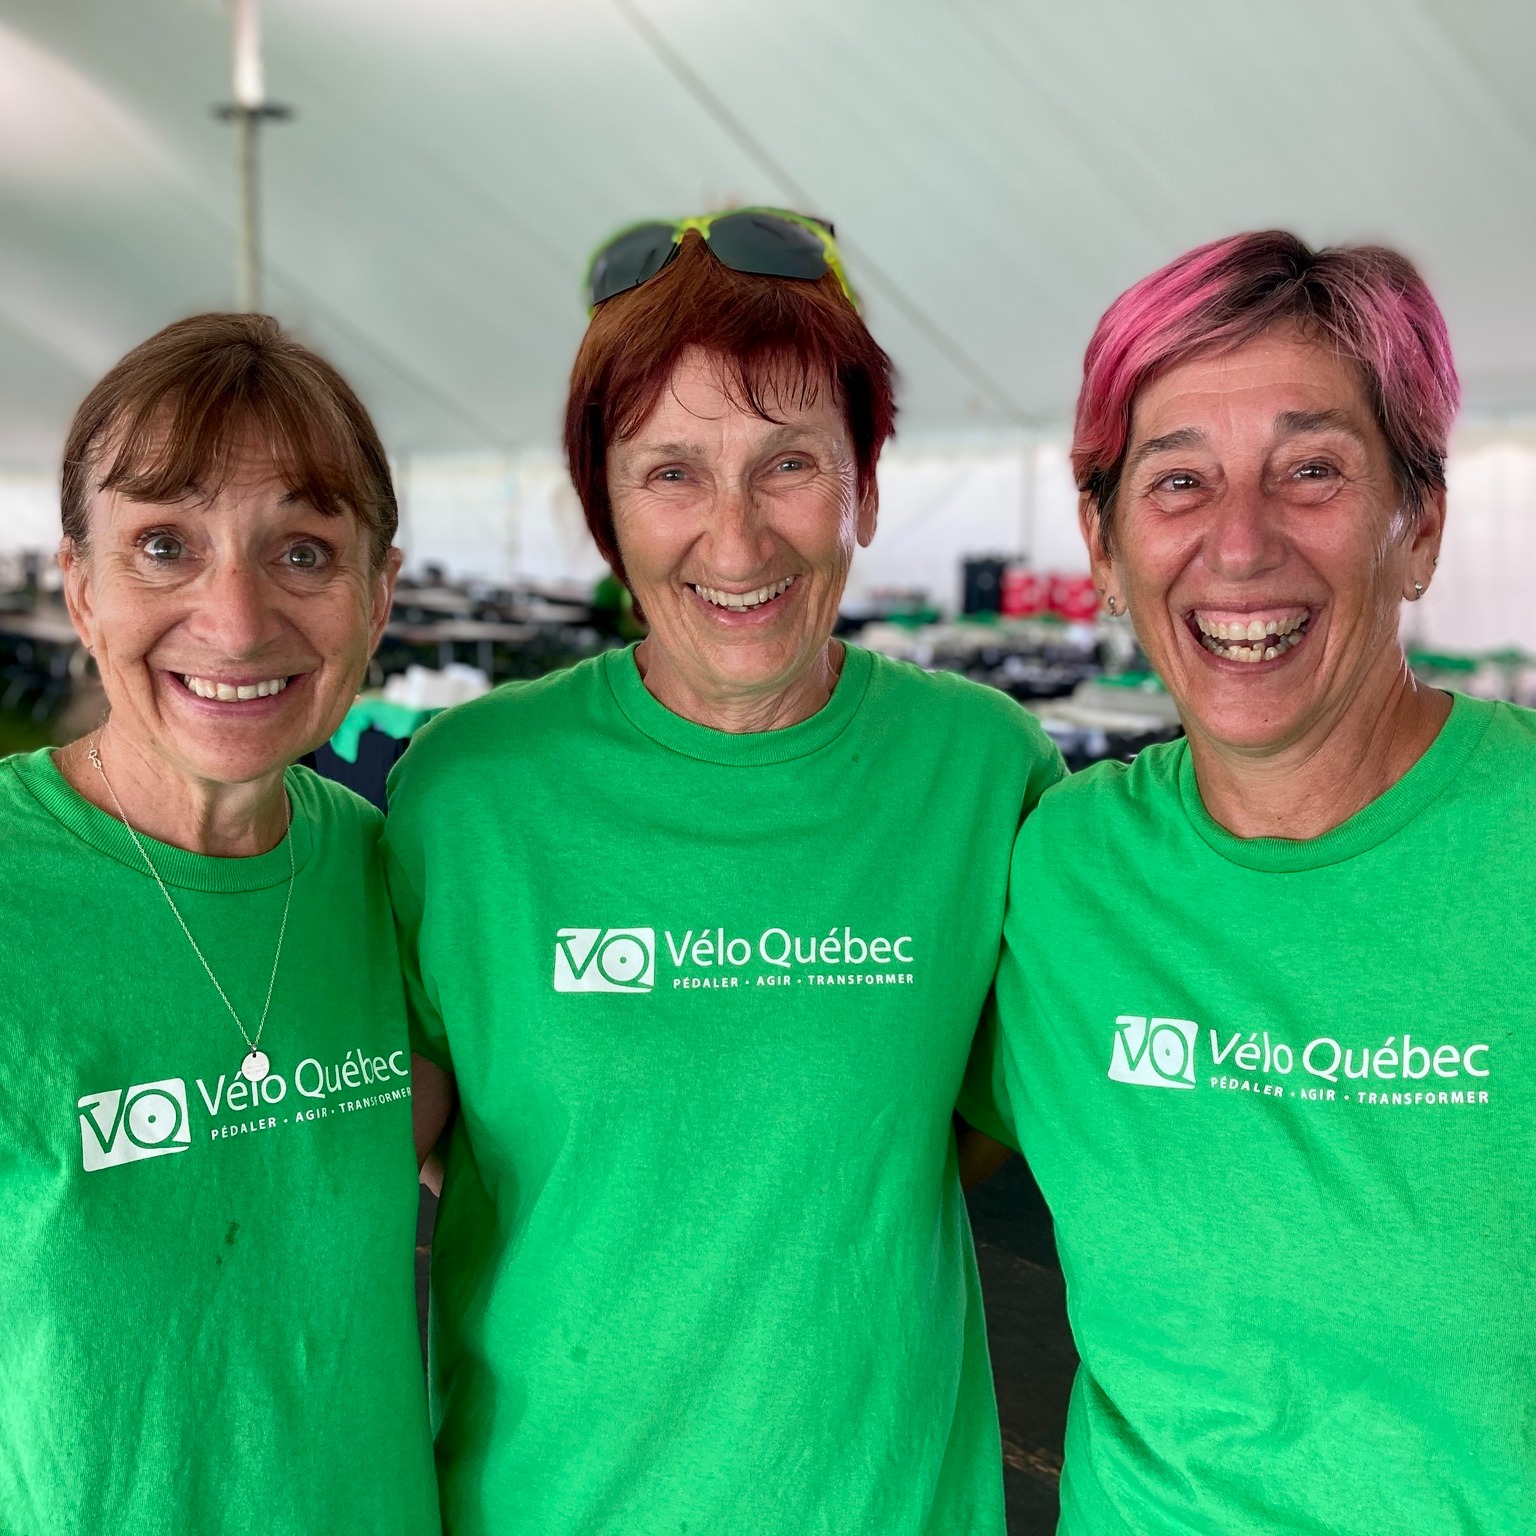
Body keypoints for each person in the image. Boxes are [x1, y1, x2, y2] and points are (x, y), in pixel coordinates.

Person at [387, 210, 1064, 1533]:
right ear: (605, 508)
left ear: (864, 482)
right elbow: (397, 1148)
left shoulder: (979, 774)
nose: (738, 541)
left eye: (790, 463)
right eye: (671, 473)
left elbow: (973, 1115)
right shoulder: (466, 793)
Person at [962, 231, 1536, 1534]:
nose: (1238, 543)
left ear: (1421, 523)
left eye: (1313, 469)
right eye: (1177, 482)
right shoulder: (1059, 871)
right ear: (1102, 548)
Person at [0, 314, 439, 1533]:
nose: (237, 622)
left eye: (303, 551)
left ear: (377, 594)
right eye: (163, 545)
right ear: (82, 588)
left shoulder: (391, 877)